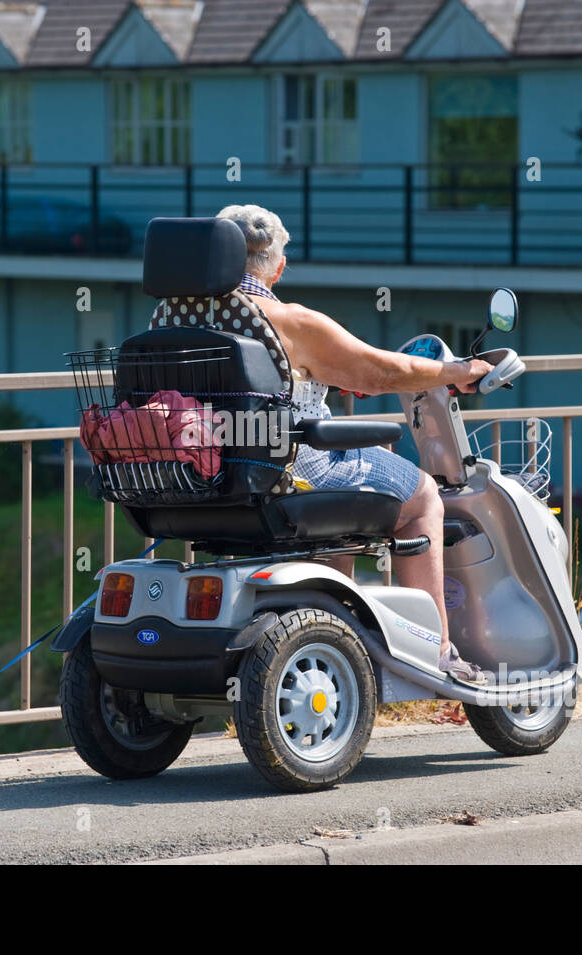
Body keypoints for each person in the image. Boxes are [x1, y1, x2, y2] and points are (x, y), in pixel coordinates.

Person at [215, 204, 494, 684]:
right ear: (278, 267)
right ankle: (440, 654)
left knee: (360, 479)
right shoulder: (290, 321)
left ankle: (330, 629)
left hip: (206, 470)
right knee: (422, 494)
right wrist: (460, 372)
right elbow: (386, 371)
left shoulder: (174, 315)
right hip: (289, 469)